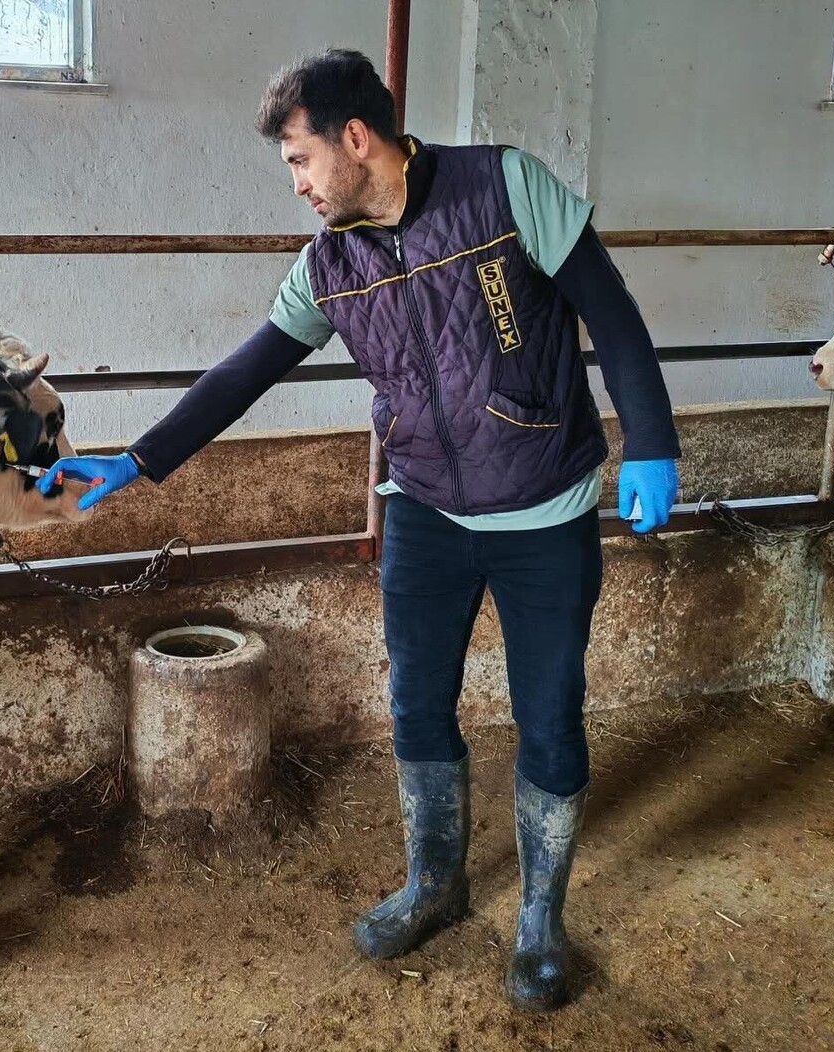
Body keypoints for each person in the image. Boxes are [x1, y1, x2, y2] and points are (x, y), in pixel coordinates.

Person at [39, 48, 680, 1012]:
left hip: (544, 506)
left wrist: (652, 442)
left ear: (354, 137)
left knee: (549, 714)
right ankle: (435, 883)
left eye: (300, 160)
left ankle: (541, 918)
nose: (297, 185)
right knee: (417, 708)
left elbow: (613, 313)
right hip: (423, 508)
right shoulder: (329, 264)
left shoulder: (504, 186)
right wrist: (140, 458)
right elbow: (248, 368)